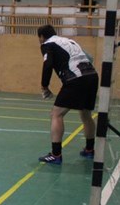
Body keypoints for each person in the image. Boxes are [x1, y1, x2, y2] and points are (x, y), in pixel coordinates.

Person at [36, 24, 98, 164]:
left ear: (41, 37)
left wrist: (44, 86)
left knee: (56, 114)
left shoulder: (47, 44)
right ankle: (89, 149)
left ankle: (56, 154)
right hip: (92, 76)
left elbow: (48, 65)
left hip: (75, 79)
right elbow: (90, 57)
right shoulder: (70, 41)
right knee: (86, 114)